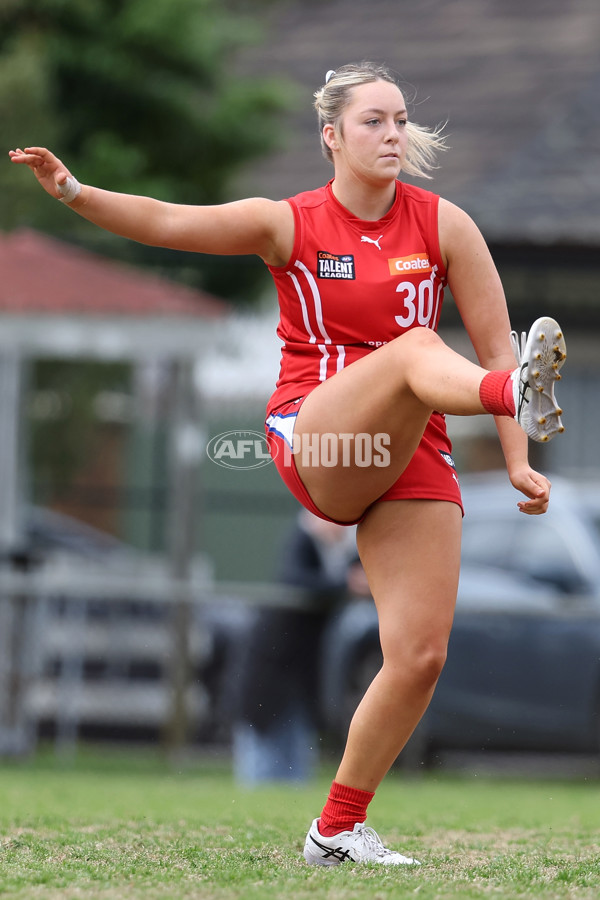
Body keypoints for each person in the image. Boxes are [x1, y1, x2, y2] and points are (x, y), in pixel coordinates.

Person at [9, 60, 567, 867]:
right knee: (416, 347)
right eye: (374, 120)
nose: (393, 134)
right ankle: (503, 398)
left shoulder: (445, 225)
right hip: (319, 436)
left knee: (419, 655)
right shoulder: (289, 222)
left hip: (411, 447)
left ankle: (336, 829)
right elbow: (169, 221)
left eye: (402, 119)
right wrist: (75, 193)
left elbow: (497, 345)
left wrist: (516, 466)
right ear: (330, 134)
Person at [232, 510, 366, 785]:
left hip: (299, 677)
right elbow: (296, 580)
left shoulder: (334, 554)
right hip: (269, 672)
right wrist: (346, 585)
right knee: (263, 759)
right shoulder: (302, 543)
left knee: (295, 760)